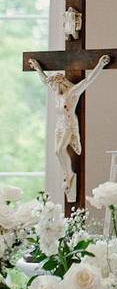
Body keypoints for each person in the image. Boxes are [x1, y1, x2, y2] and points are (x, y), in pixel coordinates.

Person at [27, 54, 111, 202]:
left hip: (68, 125)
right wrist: (37, 68)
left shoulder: (72, 93)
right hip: (59, 125)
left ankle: (69, 174)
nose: (51, 87)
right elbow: (44, 80)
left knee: (59, 150)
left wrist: (100, 65)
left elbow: (88, 81)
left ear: (60, 82)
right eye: (51, 85)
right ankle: (67, 174)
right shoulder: (56, 92)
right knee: (56, 151)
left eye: (53, 84)